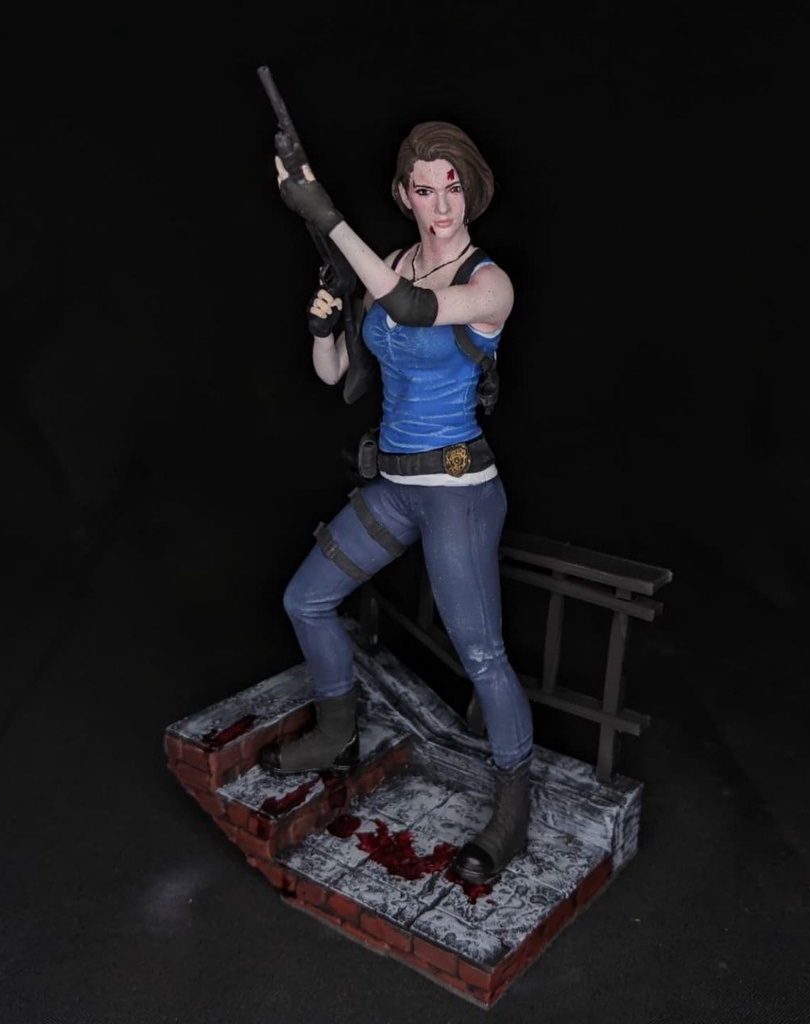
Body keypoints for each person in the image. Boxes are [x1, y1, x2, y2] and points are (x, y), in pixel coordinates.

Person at [259, 120, 534, 886]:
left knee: (481, 654)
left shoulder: (490, 283)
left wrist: (324, 214)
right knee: (306, 600)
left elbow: (411, 310)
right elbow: (336, 373)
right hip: (397, 486)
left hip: (457, 491)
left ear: (471, 190)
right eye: (424, 188)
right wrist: (322, 328)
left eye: (453, 187)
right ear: (404, 194)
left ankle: (514, 806)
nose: (441, 205)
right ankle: (337, 734)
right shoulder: (391, 263)